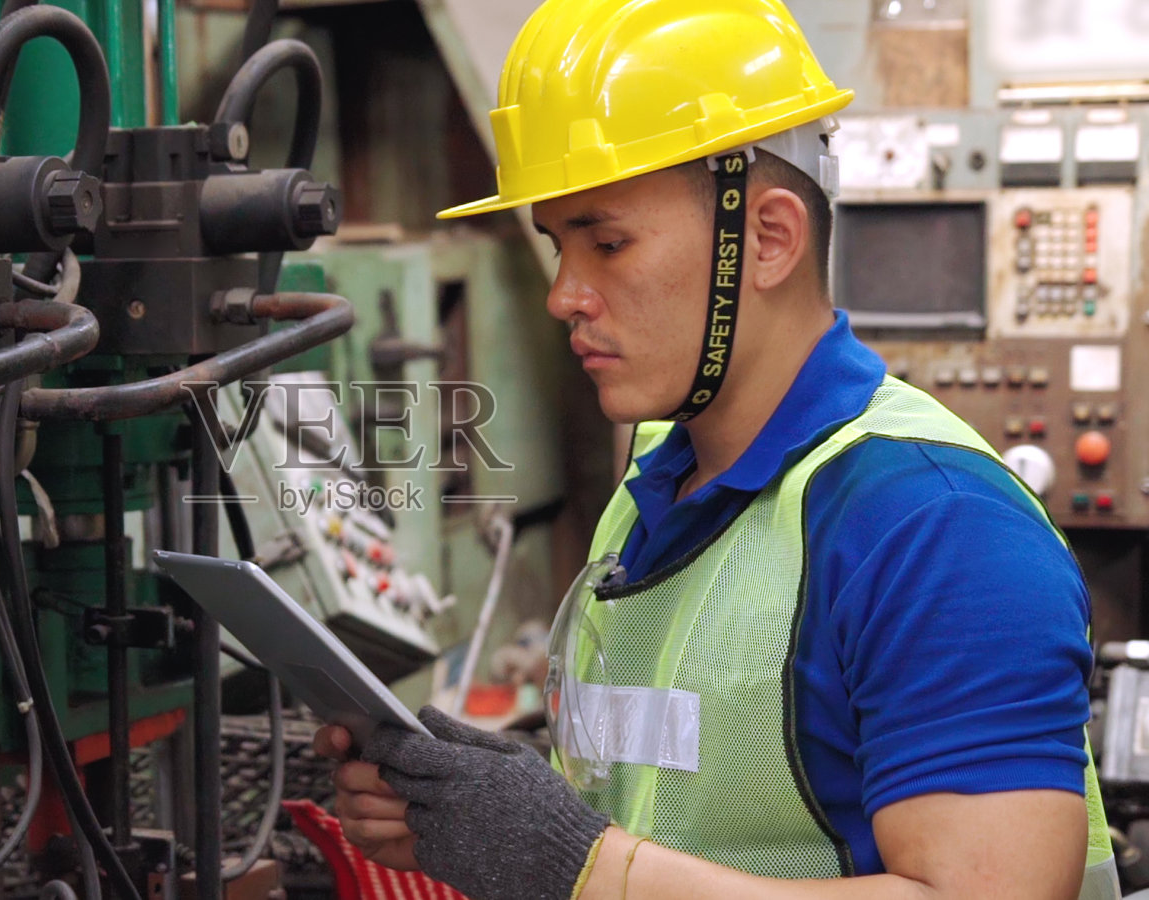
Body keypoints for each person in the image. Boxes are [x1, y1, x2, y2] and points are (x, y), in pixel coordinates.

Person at [311, 1, 1120, 898]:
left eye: (607, 243)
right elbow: (686, 808)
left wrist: (570, 862)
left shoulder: (933, 526)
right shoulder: (661, 480)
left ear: (767, 239)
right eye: (557, 244)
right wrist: (500, 811)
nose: (564, 295)